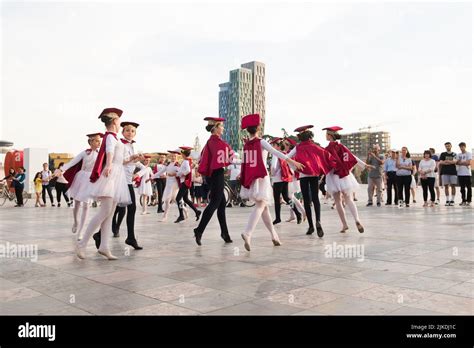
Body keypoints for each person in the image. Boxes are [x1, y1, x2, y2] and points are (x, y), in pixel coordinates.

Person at [239, 114, 304, 251]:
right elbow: (276, 152)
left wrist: (242, 174)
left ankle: (274, 236)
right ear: (257, 128)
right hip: (262, 176)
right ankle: (248, 232)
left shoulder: (247, 144)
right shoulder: (260, 142)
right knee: (261, 205)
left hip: (252, 177)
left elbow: (245, 162)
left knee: (265, 208)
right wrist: (292, 161)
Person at [76, 107, 131, 260]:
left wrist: (132, 159)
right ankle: (82, 244)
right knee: (104, 212)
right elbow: (109, 151)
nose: (120, 124)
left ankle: (104, 247)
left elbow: (118, 159)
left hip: (116, 175)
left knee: (109, 213)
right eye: (119, 121)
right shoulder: (110, 138)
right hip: (110, 176)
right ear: (114, 121)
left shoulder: (114, 137)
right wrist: (108, 164)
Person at [93, 121, 145, 250]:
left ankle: (130, 237)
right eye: (127, 130)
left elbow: (130, 163)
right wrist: (132, 158)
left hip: (127, 180)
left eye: (133, 131)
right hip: (120, 180)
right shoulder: (120, 144)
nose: (130, 133)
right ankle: (100, 234)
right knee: (111, 209)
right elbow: (119, 162)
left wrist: (136, 160)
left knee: (127, 209)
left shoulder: (131, 146)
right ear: (122, 132)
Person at [287, 125, 337, 237]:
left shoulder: (298, 147)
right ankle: (318, 220)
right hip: (314, 174)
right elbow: (326, 155)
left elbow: (287, 158)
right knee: (315, 199)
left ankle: (310, 226)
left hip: (303, 175)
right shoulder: (314, 146)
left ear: (300, 137)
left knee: (307, 201)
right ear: (310, 136)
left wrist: (294, 166)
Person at [323, 126, 372, 233]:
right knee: (349, 199)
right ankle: (357, 219)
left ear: (330, 136)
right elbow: (353, 157)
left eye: (326, 134)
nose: (325, 135)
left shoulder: (327, 149)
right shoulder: (342, 146)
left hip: (333, 176)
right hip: (345, 175)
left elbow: (325, 163)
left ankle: (345, 225)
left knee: (338, 201)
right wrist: (364, 165)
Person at [194, 117, 234, 246]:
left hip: (212, 175)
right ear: (215, 128)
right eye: (221, 126)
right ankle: (199, 230)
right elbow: (228, 155)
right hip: (217, 173)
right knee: (215, 203)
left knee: (221, 204)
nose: (223, 128)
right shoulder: (216, 142)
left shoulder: (209, 143)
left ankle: (225, 233)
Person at [62, 133, 103, 238]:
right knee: (77, 204)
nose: (99, 143)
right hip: (81, 178)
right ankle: (76, 221)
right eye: (97, 141)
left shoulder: (101, 154)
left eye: (100, 141)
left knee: (86, 205)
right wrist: (61, 169)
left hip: (92, 180)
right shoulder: (85, 153)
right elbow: (73, 162)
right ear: (91, 142)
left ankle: (81, 231)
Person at [269, 137, 302, 225]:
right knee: (287, 198)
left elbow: (273, 167)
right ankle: (297, 213)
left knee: (277, 199)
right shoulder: (284, 154)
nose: (272, 147)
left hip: (277, 179)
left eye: (273, 145)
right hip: (285, 178)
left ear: (277, 146)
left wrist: (272, 174)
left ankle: (278, 218)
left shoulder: (275, 154)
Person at [174, 146, 202, 223]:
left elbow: (188, 170)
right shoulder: (186, 161)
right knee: (185, 199)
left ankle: (181, 215)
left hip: (185, 182)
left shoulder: (186, 161)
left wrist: (181, 174)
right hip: (185, 182)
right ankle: (197, 211)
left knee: (177, 199)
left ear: (183, 154)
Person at [154, 150, 181, 222]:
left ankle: (165, 216)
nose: (173, 157)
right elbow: (161, 171)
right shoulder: (168, 164)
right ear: (170, 156)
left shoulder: (177, 164)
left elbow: (181, 173)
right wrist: (152, 177)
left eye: (175, 156)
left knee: (170, 200)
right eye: (172, 156)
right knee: (172, 200)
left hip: (174, 184)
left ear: (177, 157)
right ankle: (184, 210)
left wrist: (174, 174)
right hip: (168, 184)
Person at [439, 142, 458, 206]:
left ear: (451, 146)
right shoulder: (443, 154)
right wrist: (450, 162)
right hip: (445, 172)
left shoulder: (454, 154)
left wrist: (447, 161)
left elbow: (455, 161)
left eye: (449, 146)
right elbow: (441, 162)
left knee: (453, 186)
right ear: (445, 147)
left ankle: (452, 200)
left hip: (453, 172)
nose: (448, 147)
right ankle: (447, 200)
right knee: (446, 186)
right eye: (446, 146)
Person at [456, 142, 472, 206]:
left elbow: (468, 163)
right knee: (462, 188)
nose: (461, 148)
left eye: (462, 146)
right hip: (460, 173)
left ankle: (469, 200)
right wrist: (463, 162)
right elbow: (456, 163)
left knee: (468, 187)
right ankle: (463, 200)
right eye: (460, 147)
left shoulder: (469, 153)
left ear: (465, 146)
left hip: (467, 173)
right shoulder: (458, 154)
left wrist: (460, 162)